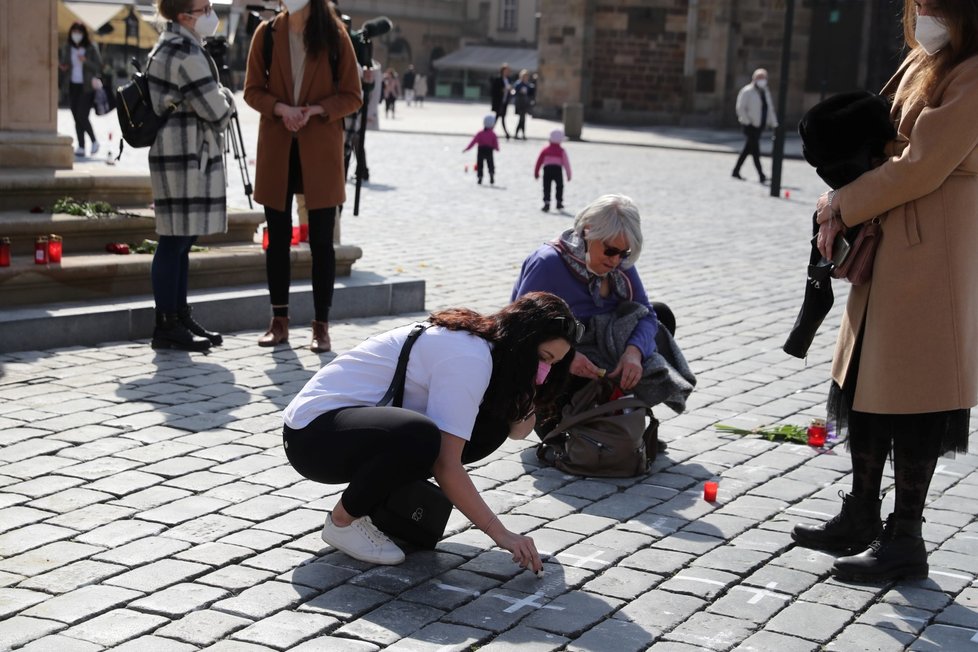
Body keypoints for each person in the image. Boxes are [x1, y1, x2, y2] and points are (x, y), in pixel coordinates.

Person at [791, 0, 978, 584]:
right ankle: (861, 513)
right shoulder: (933, 61)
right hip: (895, 246)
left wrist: (843, 201)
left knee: (916, 396)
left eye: (932, 6)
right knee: (868, 383)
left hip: (932, 256)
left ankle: (906, 539)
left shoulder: (972, 72)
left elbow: (922, 164)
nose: (921, 15)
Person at [282, 291, 580, 568]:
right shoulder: (471, 357)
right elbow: (445, 463)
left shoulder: (490, 349)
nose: (546, 371)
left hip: (347, 430)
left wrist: (524, 386)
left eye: (552, 364)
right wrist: (501, 534)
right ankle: (343, 522)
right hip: (311, 436)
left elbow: (518, 431)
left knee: (488, 429)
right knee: (421, 436)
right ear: (523, 341)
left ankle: (377, 499)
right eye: (542, 358)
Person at [511, 195, 696, 431]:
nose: (616, 260)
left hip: (603, 351)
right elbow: (520, 327)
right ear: (588, 232)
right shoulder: (548, 263)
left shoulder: (619, 264)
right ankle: (564, 416)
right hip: (563, 361)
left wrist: (633, 353)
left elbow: (648, 314)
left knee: (662, 315)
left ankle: (621, 406)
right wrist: (568, 357)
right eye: (610, 251)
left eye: (624, 254)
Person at [244, 0, 362, 353]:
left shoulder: (334, 33)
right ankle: (279, 321)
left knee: (322, 244)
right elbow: (251, 89)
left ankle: (321, 327)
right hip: (278, 147)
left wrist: (316, 110)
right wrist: (282, 109)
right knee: (276, 240)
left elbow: (352, 95)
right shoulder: (267, 33)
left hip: (320, 149)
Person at [145, 0, 235, 351]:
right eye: (204, 7)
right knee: (173, 242)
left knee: (181, 240)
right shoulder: (184, 52)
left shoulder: (176, 45)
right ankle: (166, 324)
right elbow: (215, 109)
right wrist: (227, 95)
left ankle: (178, 315)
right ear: (185, 15)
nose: (211, 12)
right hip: (183, 156)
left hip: (181, 154)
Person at [59, 22, 103, 158]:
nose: (76, 34)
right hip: (72, 85)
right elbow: (64, 62)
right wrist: (64, 67)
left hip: (87, 86)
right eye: (74, 31)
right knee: (76, 117)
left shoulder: (90, 47)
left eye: (79, 32)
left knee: (82, 115)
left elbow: (98, 66)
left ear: (83, 34)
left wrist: (85, 60)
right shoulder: (67, 47)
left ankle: (94, 141)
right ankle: (81, 146)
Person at [732, 67, 778, 183]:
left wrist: (774, 123)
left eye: (764, 78)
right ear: (754, 78)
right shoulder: (747, 91)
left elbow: (769, 108)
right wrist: (747, 121)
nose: (762, 80)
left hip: (760, 126)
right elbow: (740, 108)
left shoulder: (765, 91)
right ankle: (761, 174)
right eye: (760, 78)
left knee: (748, 149)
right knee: (755, 150)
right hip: (750, 126)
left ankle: (736, 171)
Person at [534, 129, 572, 212]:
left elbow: (539, 161)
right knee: (559, 186)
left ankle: (546, 203)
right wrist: (569, 175)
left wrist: (536, 172)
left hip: (547, 169)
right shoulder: (561, 151)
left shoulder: (545, 150)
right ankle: (559, 202)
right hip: (557, 170)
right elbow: (566, 163)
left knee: (546, 186)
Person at [462, 114, 500, 185]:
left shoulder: (480, 133)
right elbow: (495, 143)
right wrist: (497, 148)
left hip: (481, 150)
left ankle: (480, 177)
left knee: (480, 164)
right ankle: (491, 174)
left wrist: (467, 149)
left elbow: (473, 142)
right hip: (489, 150)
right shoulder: (493, 134)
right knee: (490, 163)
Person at [490, 63, 512, 140]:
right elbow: (494, 90)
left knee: (502, 118)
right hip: (499, 102)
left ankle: (492, 131)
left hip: (504, 101)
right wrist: (502, 90)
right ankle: (506, 133)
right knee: (498, 118)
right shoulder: (498, 79)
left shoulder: (508, 80)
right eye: (506, 71)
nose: (507, 72)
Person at [511, 69, 534, 140]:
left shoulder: (528, 84)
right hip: (520, 103)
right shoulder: (518, 84)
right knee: (522, 119)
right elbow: (514, 91)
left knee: (523, 119)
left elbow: (531, 93)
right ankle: (520, 134)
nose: (526, 78)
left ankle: (519, 134)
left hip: (525, 103)